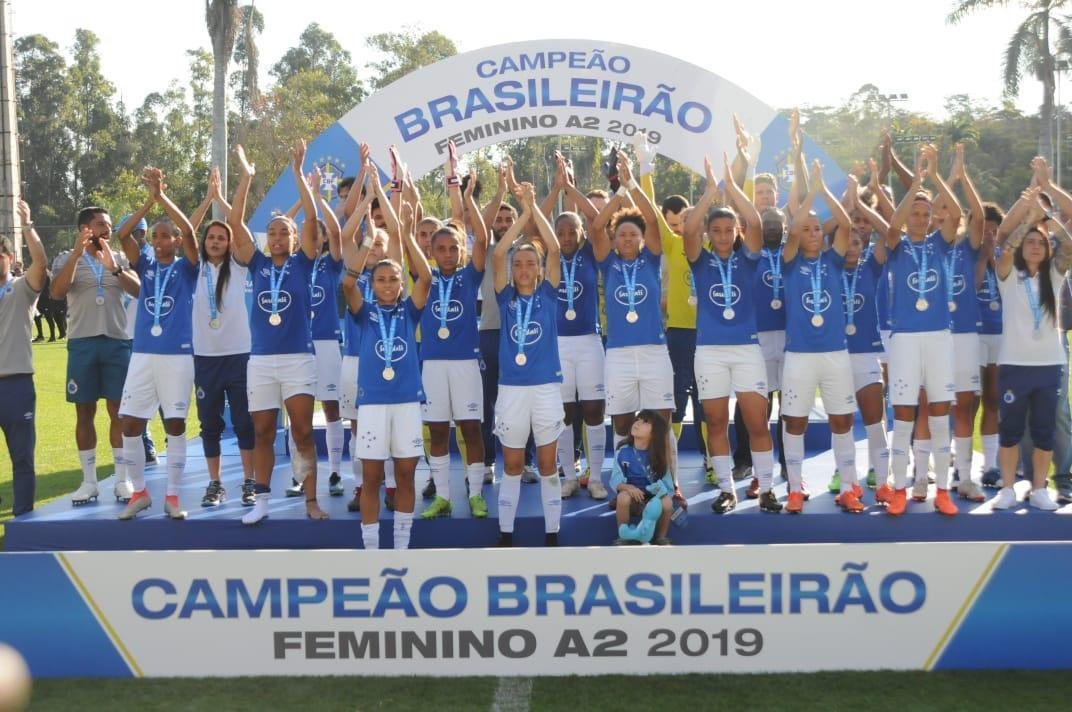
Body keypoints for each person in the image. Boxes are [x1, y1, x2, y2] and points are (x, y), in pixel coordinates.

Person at [229, 141, 326, 524]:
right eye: (271, 232)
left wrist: (299, 174)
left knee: (303, 431)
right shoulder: (256, 265)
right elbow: (236, 224)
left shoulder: (304, 263)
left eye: (283, 231)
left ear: (294, 238)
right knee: (263, 431)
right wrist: (246, 179)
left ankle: (311, 500)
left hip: (298, 359)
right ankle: (263, 503)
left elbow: (313, 220)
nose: (277, 237)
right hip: (262, 362)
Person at [683, 156, 780, 514]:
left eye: (729, 230)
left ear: (736, 232)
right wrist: (711, 190)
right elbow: (689, 230)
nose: (723, 236)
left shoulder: (749, 258)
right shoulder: (700, 260)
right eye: (717, 231)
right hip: (709, 351)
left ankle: (768, 488)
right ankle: (727, 490)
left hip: (746, 350)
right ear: (711, 234)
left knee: (757, 421)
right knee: (717, 422)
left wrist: (732, 186)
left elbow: (755, 220)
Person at [342, 160, 431, 550]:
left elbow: (425, 278)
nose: (389, 284)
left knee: (407, 477)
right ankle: (372, 550)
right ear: (373, 282)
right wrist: (366, 246)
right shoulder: (365, 310)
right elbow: (348, 284)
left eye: (394, 279)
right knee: (373, 478)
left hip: (407, 402)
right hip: (374, 404)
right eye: (382, 279)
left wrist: (407, 235)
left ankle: (401, 547)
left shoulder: (409, 308)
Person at [878, 145, 962, 516]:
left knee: (941, 415)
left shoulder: (940, 245)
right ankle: (900, 489)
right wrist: (914, 184)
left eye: (925, 213)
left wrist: (935, 174)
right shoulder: (897, 245)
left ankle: (942, 489)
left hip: (939, 337)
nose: (919, 217)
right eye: (915, 211)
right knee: (904, 416)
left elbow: (957, 213)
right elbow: (892, 226)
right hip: (906, 341)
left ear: (930, 218)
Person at [114, 167, 201, 520]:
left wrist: (164, 198)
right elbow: (123, 234)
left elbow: (193, 234)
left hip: (177, 357)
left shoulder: (187, 268)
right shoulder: (146, 263)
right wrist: (148, 202)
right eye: (156, 236)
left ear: (176, 241)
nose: (160, 241)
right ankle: (140, 492)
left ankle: (174, 496)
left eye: (167, 236)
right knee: (129, 424)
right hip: (143, 355)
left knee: (175, 424)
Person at [589, 152, 677, 480]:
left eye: (633, 234)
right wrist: (618, 194)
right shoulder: (607, 262)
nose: (627, 238)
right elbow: (597, 225)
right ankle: (624, 482)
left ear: (641, 238)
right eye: (621, 234)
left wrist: (632, 184)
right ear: (614, 239)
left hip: (654, 352)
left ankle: (670, 482)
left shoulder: (652, 259)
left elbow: (653, 219)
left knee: (661, 421)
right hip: (619, 355)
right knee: (623, 423)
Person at [780, 160, 861, 513]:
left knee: (841, 419)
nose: (812, 232)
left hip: (834, 353)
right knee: (794, 420)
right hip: (799, 354)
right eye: (807, 228)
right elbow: (794, 229)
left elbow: (845, 222)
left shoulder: (833, 259)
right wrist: (810, 192)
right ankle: (795, 489)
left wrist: (823, 186)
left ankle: (848, 486)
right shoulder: (789, 261)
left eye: (817, 228)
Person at [989, 184, 1072, 510]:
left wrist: (1046, 217)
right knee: (1010, 429)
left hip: (1049, 365)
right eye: (1030, 243)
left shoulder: (1054, 276)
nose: (1035, 246)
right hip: (1014, 364)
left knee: (1044, 430)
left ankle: (1040, 489)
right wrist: (1029, 222)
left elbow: (1069, 244)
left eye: (1041, 243)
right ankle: (1008, 488)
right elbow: (1005, 248)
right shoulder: (1008, 276)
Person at [51, 204, 141, 504]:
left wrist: (114, 267)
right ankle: (89, 482)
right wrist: (77, 255)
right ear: (84, 230)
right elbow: (57, 292)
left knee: (119, 411)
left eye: (109, 224)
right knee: (84, 411)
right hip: (82, 343)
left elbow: (138, 291)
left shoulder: (120, 257)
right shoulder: (66, 258)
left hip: (116, 342)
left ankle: (121, 480)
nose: (107, 229)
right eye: (101, 224)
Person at [492, 181, 564, 547]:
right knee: (514, 465)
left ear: (539, 269)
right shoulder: (504, 296)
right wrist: (522, 215)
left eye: (529, 263)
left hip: (547, 388)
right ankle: (506, 532)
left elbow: (553, 247)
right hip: (512, 390)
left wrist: (535, 207)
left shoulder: (548, 294)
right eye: (518, 263)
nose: (522, 268)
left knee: (549, 465)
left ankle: (552, 532)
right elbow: (498, 253)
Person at [419, 160, 490, 519]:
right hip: (431, 365)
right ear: (432, 251)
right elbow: (403, 234)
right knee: (436, 433)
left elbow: (485, 238)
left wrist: (467, 200)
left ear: (462, 250)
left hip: (465, 363)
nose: (447, 253)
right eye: (441, 248)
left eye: (453, 248)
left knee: (471, 429)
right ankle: (442, 496)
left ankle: (475, 494)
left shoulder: (470, 276)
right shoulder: (424, 277)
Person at [187, 167, 256, 507]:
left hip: (239, 354)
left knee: (244, 422)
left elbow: (240, 226)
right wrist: (208, 200)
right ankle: (215, 484)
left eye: (221, 237)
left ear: (229, 243)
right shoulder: (193, 268)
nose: (215, 241)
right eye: (211, 237)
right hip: (205, 357)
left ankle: (248, 481)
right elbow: (186, 231)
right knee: (210, 424)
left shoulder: (241, 264)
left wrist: (232, 194)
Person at [547, 153, 609, 501]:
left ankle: (596, 476)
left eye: (573, 231)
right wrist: (557, 188)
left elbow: (597, 218)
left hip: (588, 341)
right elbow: (534, 223)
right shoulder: (549, 255)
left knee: (593, 409)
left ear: (582, 234)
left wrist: (569, 187)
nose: (567, 236)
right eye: (560, 231)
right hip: (557, 344)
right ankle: (569, 476)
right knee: (565, 413)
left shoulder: (590, 253)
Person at [284, 165, 346, 500]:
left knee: (332, 408)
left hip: (325, 343)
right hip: (295, 345)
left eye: (318, 233)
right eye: (311, 233)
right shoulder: (291, 263)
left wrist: (320, 198)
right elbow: (288, 225)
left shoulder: (331, 264)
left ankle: (335, 471)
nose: (316, 236)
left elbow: (337, 235)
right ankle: (300, 475)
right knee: (298, 414)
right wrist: (304, 198)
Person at [832, 181, 890, 497]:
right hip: (835, 356)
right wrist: (846, 200)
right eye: (847, 242)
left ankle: (882, 483)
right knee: (841, 423)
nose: (852, 246)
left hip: (867, 353)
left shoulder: (872, 267)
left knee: (874, 421)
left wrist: (867, 201)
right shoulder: (826, 269)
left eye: (857, 241)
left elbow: (889, 231)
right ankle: (846, 482)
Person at [0, 200, 48, 515]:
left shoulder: (21, 288)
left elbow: (41, 264)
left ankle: (22, 520)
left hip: (15, 385)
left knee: (21, 458)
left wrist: (27, 225)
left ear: (11, 258)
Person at [610, 410, 674, 545]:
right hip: (633, 499)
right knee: (623, 497)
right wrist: (627, 487)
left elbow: (669, 486)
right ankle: (623, 536)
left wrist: (659, 491)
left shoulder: (660, 455)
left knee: (667, 502)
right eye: (637, 419)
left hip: (653, 503)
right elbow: (615, 479)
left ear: (655, 433)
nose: (638, 423)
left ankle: (661, 537)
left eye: (645, 422)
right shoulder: (622, 451)